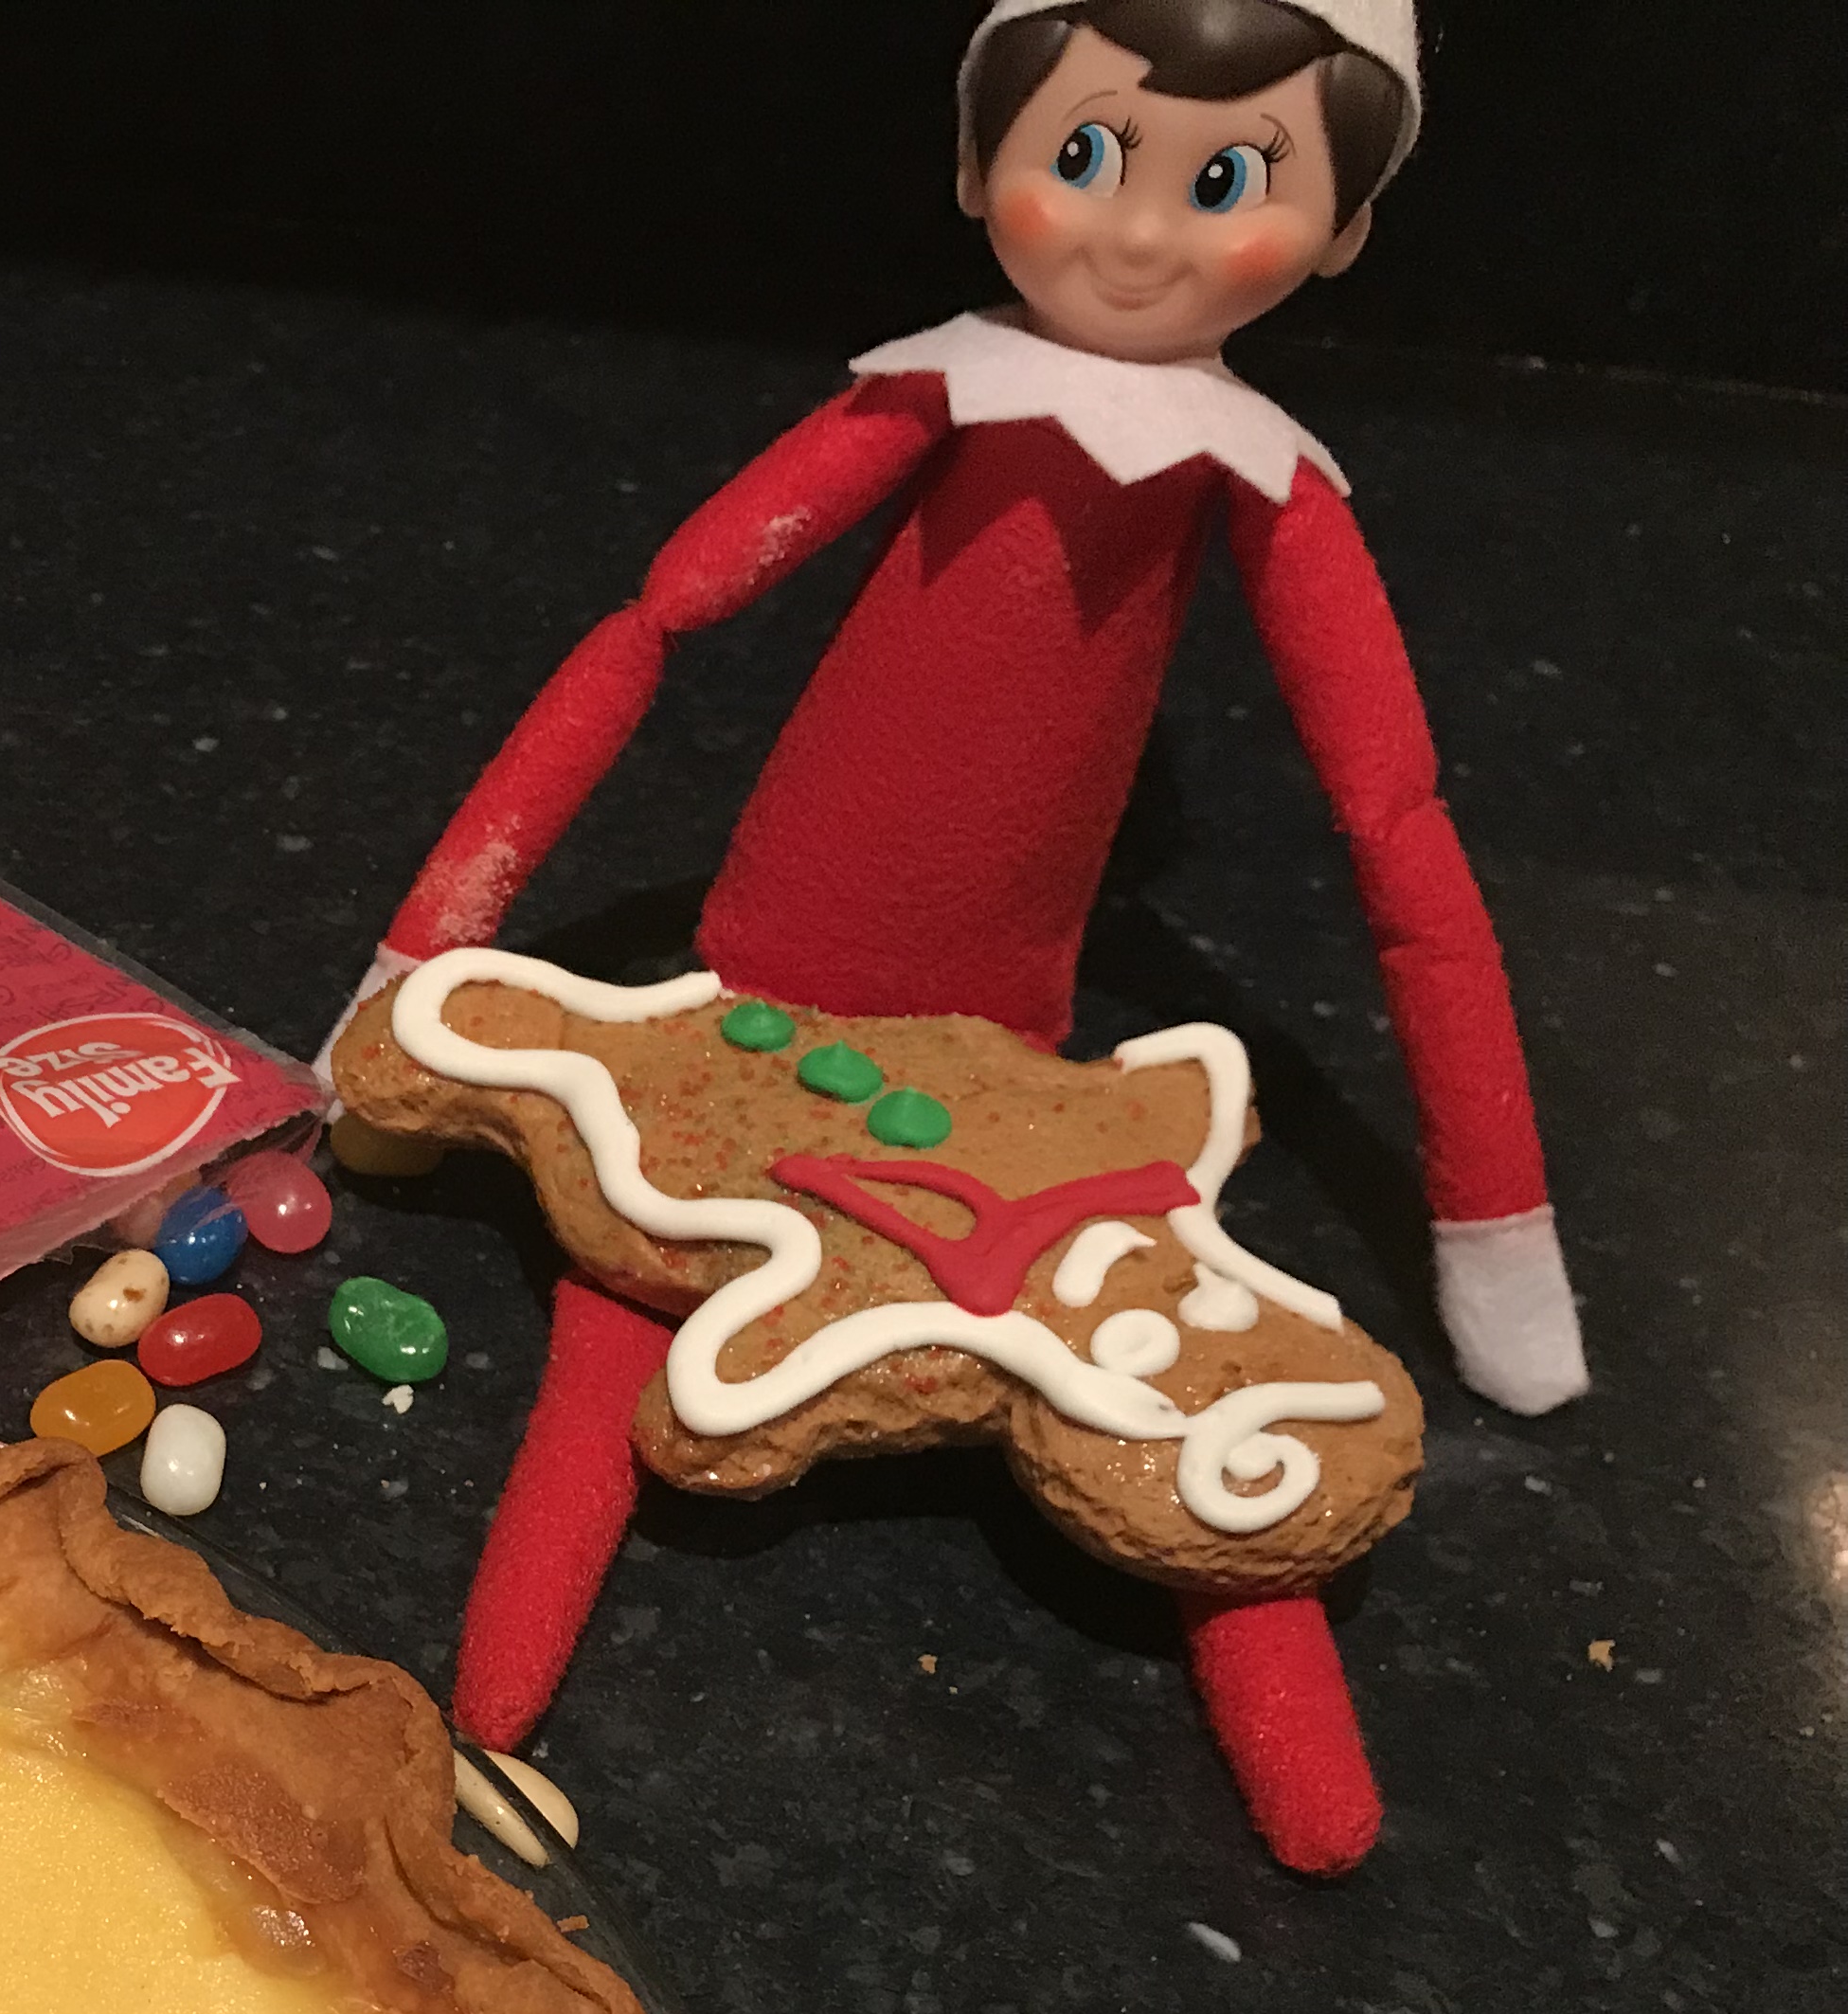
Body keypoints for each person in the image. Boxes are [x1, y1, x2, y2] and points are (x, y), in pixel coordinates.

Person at [343, 0, 1583, 1874]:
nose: (1139, 231)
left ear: (1343, 233)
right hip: (762, 960)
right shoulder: (927, 394)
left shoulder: (1261, 480)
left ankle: (1285, 1706)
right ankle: (502, 1684)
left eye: (1227, 182)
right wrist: (425, 957)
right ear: (970, 162)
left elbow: (1399, 840)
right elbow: (658, 622)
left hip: (1012, 1035)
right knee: (638, 1284)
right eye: (1084, 155)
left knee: (1160, 1423)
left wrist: (1497, 1239)